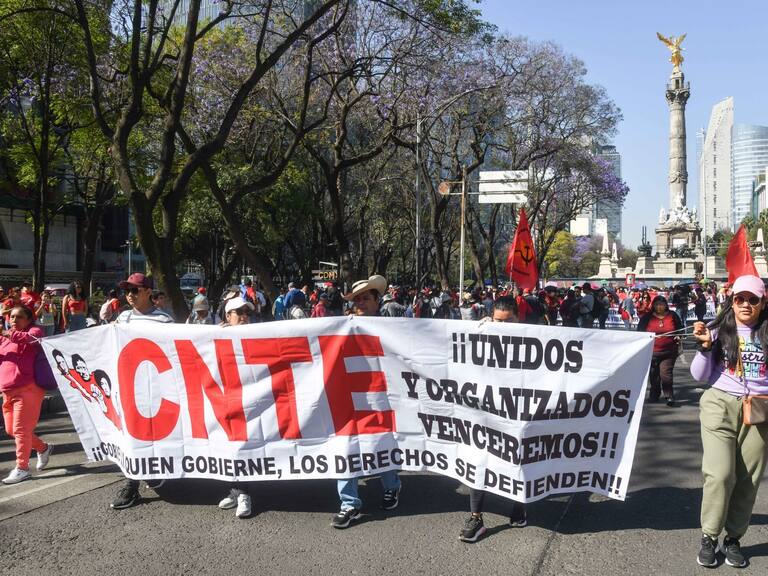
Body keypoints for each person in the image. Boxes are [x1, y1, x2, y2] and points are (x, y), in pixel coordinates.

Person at [690, 274, 768, 568]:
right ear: (731, 301)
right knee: (720, 474)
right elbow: (698, 376)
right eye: (740, 298)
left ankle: (733, 538)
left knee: (749, 479)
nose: (746, 304)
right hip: (719, 404)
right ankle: (709, 536)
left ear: (762, 302)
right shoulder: (718, 330)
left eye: (753, 299)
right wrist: (705, 347)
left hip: (759, 409)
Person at [332, 275, 401, 529]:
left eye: (365, 298)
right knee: (345, 448)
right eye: (357, 298)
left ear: (376, 301)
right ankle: (349, 504)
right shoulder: (340, 326)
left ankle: (392, 486)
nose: (360, 302)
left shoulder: (393, 327)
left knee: (382, 442)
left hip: (380, 395)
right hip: (346, 397)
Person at [460, 295, 527, 542]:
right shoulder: (482, 334)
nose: (502, 326)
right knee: (479, 459)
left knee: (518, 461)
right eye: (497, 320)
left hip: (517, 414)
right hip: (485, 412)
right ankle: (476, 517)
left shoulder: (534, 339)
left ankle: (519, 509)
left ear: (518, 318)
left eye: (508, 321)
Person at [110, 273, 174, 510]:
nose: (130, 295)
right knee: (132, 434)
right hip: (128, 390)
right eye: (127, 290)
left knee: (155, 434)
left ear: (148, 291)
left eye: (135, 290)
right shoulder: (122, 319)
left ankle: (152, 469)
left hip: (156, 390)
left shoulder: (164, 321)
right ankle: (132, 483)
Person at [0, 305, 53, 484]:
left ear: (29, 319)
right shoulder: (5, 339)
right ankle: (43, 448)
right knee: (12, 430)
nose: (14, 320)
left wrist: (7, 334)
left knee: (21, 430)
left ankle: (22, 468)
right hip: (7, 391)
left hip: (28, 389)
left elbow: (32, 339)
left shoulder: (34, 331)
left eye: (19, 317)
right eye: (12, 317)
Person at [216, 296, 255, 518]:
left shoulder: (256, 335)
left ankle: (243, 493)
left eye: (246, 312)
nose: (243, 316)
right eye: (238, 312)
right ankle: (236, 490)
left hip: (250, 401)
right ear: (227, 317)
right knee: (230, 448)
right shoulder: (217, 335)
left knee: (243, 448)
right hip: (227, 400)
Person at [637, 295, 683, 406]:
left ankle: (669, 396)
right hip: (652, 352)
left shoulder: (673, 315)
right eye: (657, 305)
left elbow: (680, 328)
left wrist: (678, 336)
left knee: (666, 374)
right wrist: (647, 337)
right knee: (654, 375)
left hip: (669, 351)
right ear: (653, 306)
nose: (659, 307)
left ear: (666, 305)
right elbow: (639, 332)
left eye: (661, 305)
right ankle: (654, 394)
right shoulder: (647, 317)